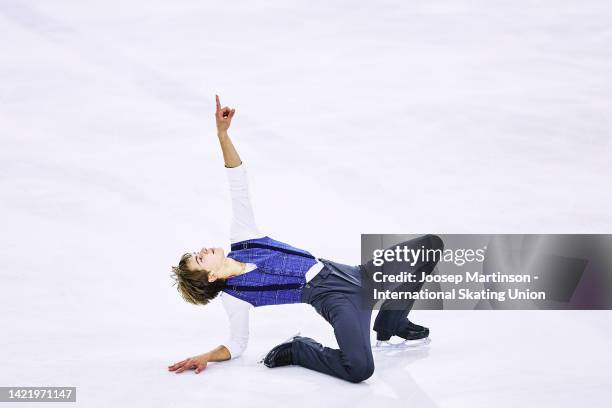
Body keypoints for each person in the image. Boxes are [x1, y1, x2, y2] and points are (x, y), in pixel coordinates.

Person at [167, 95, 444, 383]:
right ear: (210, 276)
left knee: (430, 245)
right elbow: (236, 344)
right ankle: (300, 350)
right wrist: (207, 356)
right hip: (335, 299)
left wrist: (222, 134)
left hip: (357, 274)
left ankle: (392, 321)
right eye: (200, 258)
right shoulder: (234, 298)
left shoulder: (244, 237)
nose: (203, 250)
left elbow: (238, 182)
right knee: (360, 369)